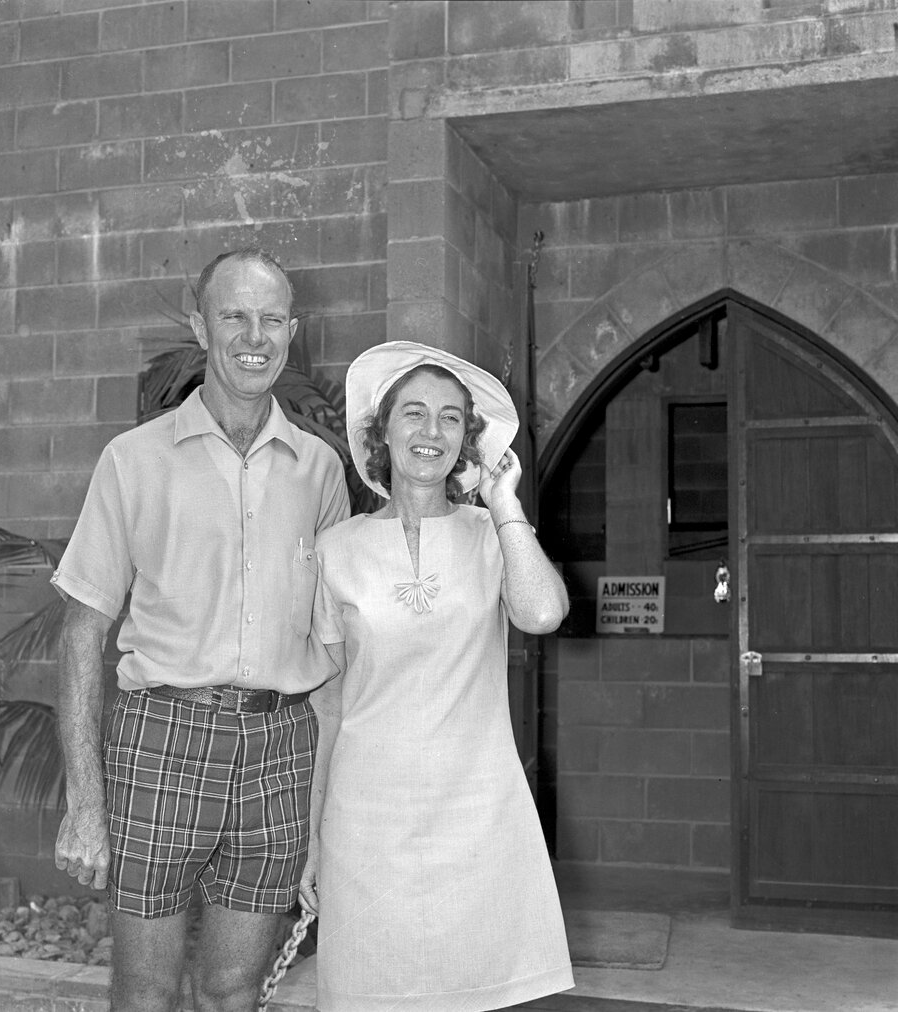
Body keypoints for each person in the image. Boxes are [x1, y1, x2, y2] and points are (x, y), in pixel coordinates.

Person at [51, 248, 350, 1012]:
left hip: (281, 750)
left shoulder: (321, 472)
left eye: (272, 319)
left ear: (293, 330)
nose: (256, 336)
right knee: (145, 991)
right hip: (161, 739)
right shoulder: (133, 461)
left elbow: (333, 660)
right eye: (235, 316)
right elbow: (81, 634)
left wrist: (326, 813)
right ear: (200, 326)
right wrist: (86, 803)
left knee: (233, 991)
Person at [299, 341, 574, 1011]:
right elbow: (328, 704)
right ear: (381, 431)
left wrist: (505, 502)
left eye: (451, 418)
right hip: (367, 817)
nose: (432, 432)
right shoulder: (337, 549)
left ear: (469, 440)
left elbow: (541, 612)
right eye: (414, 413)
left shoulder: (493, 535)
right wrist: (312, 835)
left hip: (478, 811)